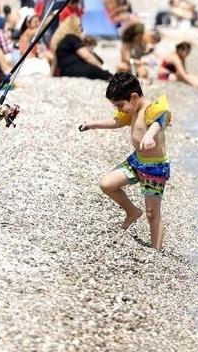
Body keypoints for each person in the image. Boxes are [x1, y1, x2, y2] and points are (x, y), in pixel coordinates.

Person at [78, 72, 172, 250]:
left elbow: (159, 121)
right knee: (107, 184)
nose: (120, 110)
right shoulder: (132, 109)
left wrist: (150, 136)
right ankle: (132, 211)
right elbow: (116, 122)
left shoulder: (152, 109)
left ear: (134, 97)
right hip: (136, 162)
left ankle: (156, 251)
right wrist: (92, 124)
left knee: (152, 213)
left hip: (155, 168)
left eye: (121, 105)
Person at [50, 16, 112, 80]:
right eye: (80, 26)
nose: (81, 29)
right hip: (77, 70)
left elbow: (54, 63)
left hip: (65, 72)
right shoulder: (72, 38)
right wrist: (102, 68)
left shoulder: (60, 42)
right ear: (74, 26)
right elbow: (87, 57)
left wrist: (50, 76)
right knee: (102, 73)